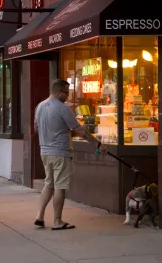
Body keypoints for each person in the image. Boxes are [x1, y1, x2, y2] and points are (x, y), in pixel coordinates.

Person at [34, 79, 104, 230]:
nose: (67, 96)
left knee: (49, 183)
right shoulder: (62, 108)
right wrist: (96, 143)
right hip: (60, 152)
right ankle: (57, 221)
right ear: (59, 92)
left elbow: (36, 128)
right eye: (66, 93)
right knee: (60, 186)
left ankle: (39, 216)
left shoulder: (40, 106)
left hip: (45, 151)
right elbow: (80, 130)